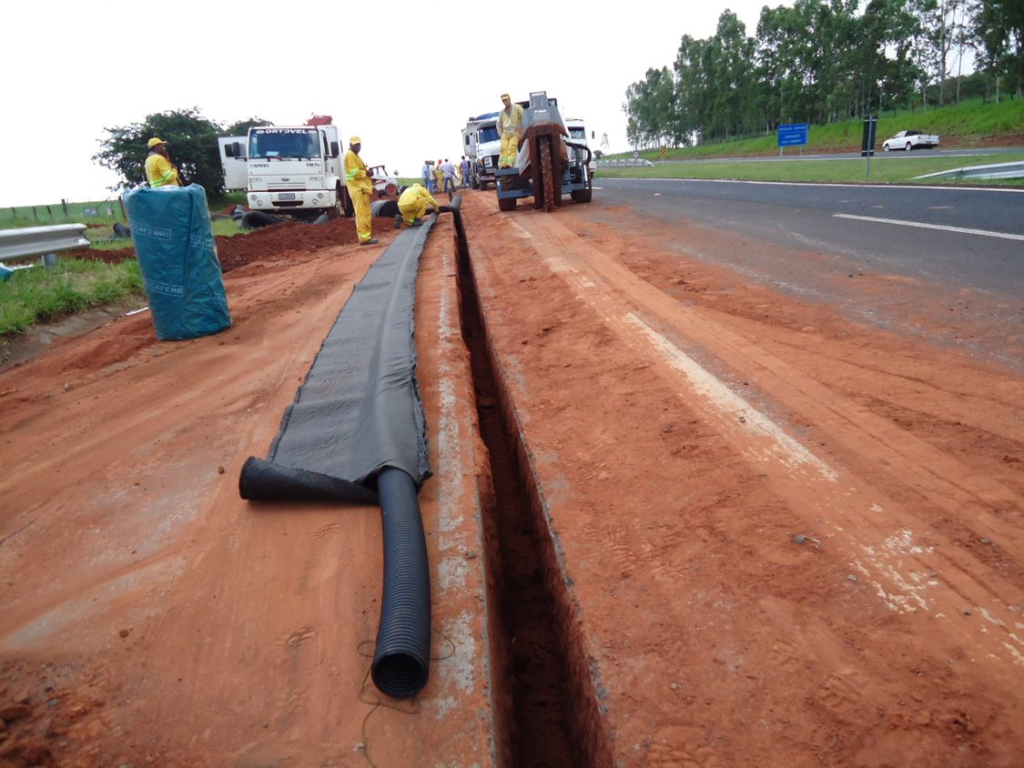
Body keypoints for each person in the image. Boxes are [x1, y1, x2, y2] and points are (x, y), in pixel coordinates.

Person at [343, 136, 378, 246]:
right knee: (362, 214)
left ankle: (366, 236)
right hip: (358, 189)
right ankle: (364, 238)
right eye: (355, 145)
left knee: (365, 213)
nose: (358, 147)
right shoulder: (350, 156)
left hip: (361, 189)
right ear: (350, 145)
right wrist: (367, 172)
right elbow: (355, 173)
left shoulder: (354, 156)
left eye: (359, 144)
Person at [497, 93, 524, 169]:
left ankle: (509, 164)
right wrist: (501, 134)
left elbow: (524, 117)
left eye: (506, 100)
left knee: (512, 147)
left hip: (515, 132)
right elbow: (499, 124)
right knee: (503, 148)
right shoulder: (502, 112)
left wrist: (521, 129)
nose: (505, 102)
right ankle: (502, 165)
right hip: (506, 133)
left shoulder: (517, 108)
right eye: (503, 100)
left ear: (509, 99)